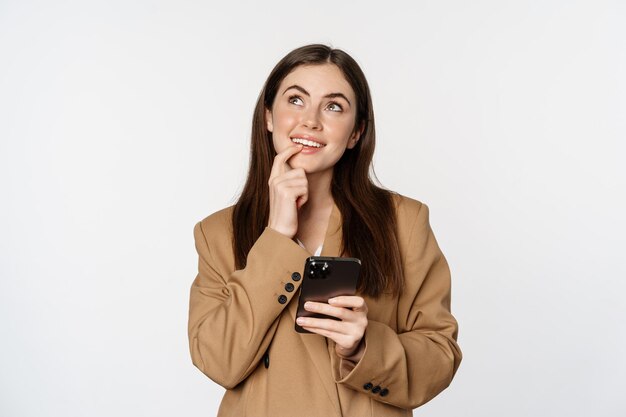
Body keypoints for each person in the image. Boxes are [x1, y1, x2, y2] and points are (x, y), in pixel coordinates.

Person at [187, 44, 462, 417]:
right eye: (296, 100)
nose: (311, 121)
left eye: (333, 106)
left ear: (355, 133)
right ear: (269, 116)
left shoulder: (402, 222)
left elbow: (440, 353)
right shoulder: (218, 233)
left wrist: (365, 348)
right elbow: (217, 360)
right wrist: (278, 235)